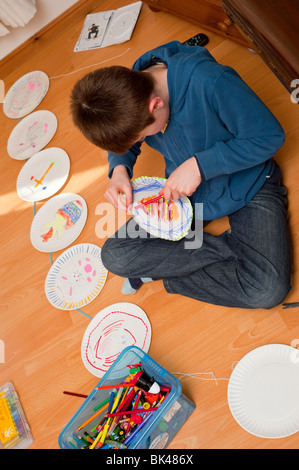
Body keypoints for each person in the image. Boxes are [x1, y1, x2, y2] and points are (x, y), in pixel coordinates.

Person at [70, 40, 292, 308]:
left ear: (156, 104)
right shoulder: (134, 86)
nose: (139, 141)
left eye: (139, 136)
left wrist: (199, 166)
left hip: (249, 185)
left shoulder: (210, 81)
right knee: (116, 256)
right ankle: (240, 253)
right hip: (185, 197)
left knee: (266, 290)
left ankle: (168, 270)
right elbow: (127, 141)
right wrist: (119, 168)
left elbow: (268, 136)